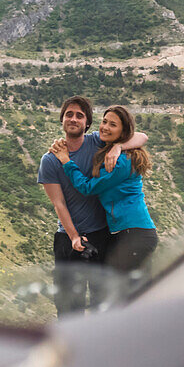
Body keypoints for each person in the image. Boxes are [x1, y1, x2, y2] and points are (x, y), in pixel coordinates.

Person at [37, 96, 147, 315]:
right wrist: (74, 236)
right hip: (68, 239)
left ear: (87, 123)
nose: (74, 119)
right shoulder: (50, 160)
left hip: (102, 236)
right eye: (69, 114)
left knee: (102, 302)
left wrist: (117, 147)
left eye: (80, 115)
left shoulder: (97, 141)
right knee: (69, 307)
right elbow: (58, 204)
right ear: (62, 119)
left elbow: (142, 136)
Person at [49, 105, 158, 283]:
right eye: (104, 121)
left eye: (113, 125)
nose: (105, 127)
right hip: (129, 232)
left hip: (134, 233)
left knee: (122, 290)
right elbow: (141, 137)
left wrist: (66, 161)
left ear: (123, 131)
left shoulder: (121, 162)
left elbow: (87, 188)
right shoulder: (113, 151)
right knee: (132, 291)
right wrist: (118, 145)